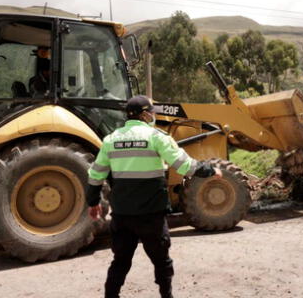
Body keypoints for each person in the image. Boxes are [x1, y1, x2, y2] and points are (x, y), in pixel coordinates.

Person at [86, 95, 220, 298]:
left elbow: (96, 175)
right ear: (145, 114)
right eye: (152, 112)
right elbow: (184, 165)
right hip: (151, 215)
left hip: (122, 215)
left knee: (120, 262)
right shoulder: (156, 137)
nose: (154, 115)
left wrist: (93, 202)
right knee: (161, 261)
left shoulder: (111, 140)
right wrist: (210, 170)